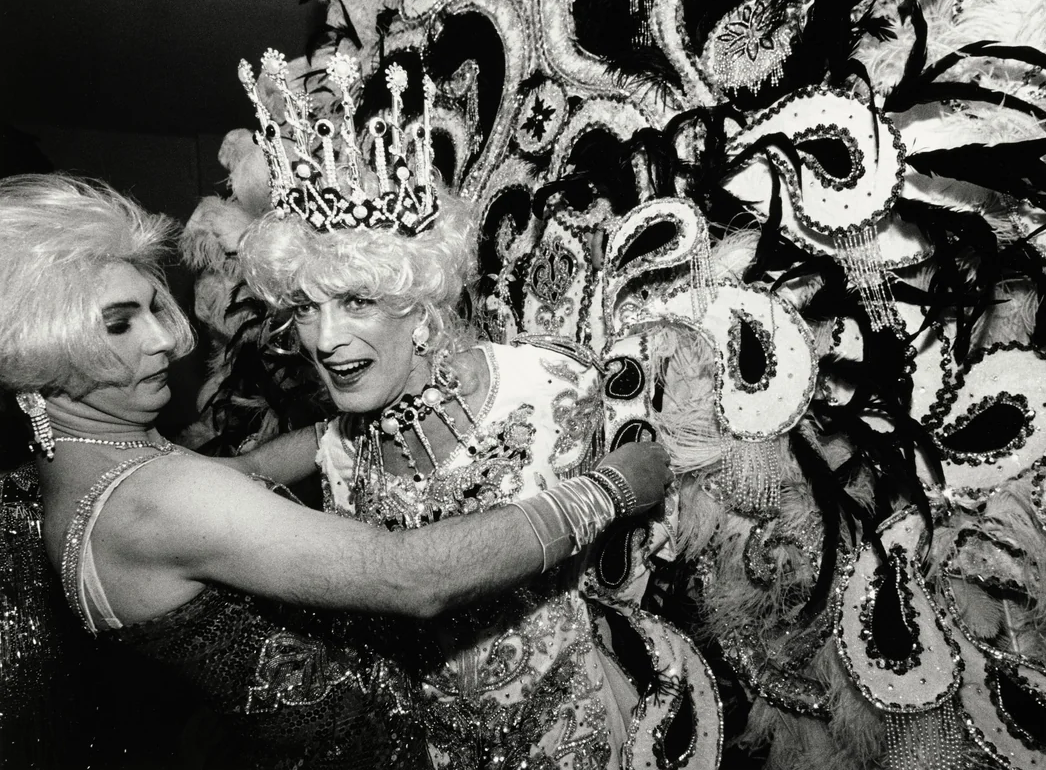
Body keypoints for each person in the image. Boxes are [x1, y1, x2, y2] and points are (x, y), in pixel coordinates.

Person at [0, 173, 672, 769]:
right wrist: (609, 488)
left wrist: (335, 434)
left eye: (154, 307)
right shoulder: (158, 500)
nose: (164, 341)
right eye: (118, 325)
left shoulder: (69, 475)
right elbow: (411, 576)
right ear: (38, 347)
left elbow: (239, 472)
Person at [233, 49, 718, 770]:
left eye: (357, 301)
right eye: (306, 307)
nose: (325, 339)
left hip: (576, 740)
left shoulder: (546, 386)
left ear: (419, 305)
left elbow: (665, 492)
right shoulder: (338, 449)